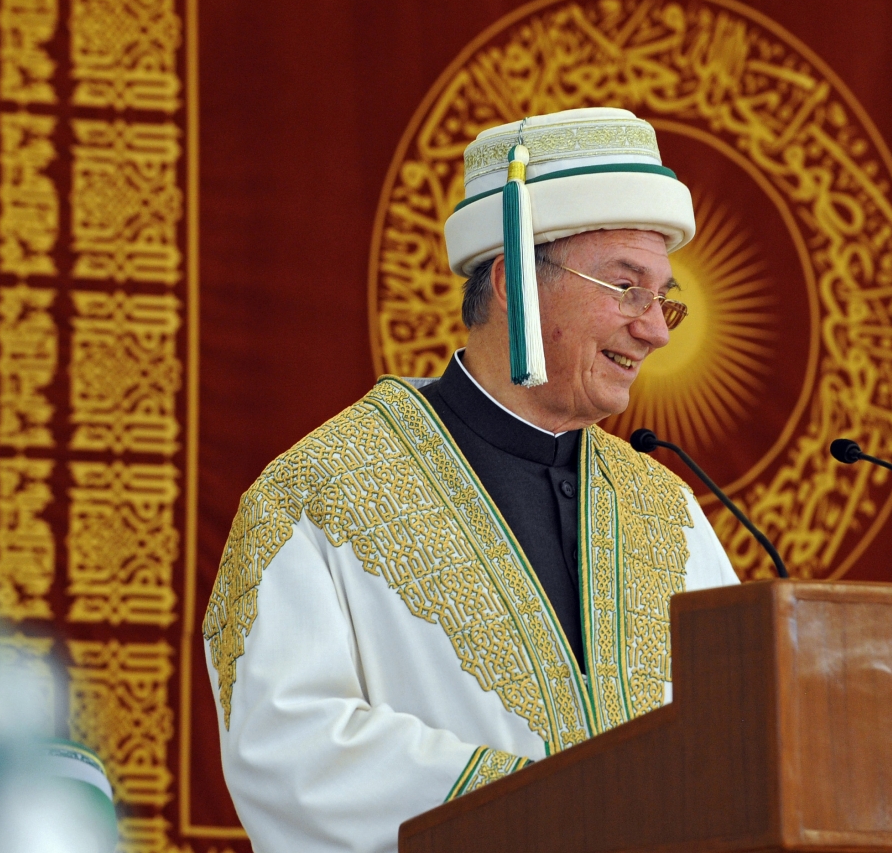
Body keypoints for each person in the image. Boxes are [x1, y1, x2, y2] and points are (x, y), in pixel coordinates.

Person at [203, 108, 740, 853]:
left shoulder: (666, 510)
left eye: (662, 296)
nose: (656, 329)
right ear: (513, 281)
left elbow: (738, 735)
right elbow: (289, 749)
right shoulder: (318, 493)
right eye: (625, 288)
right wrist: (556, 807)